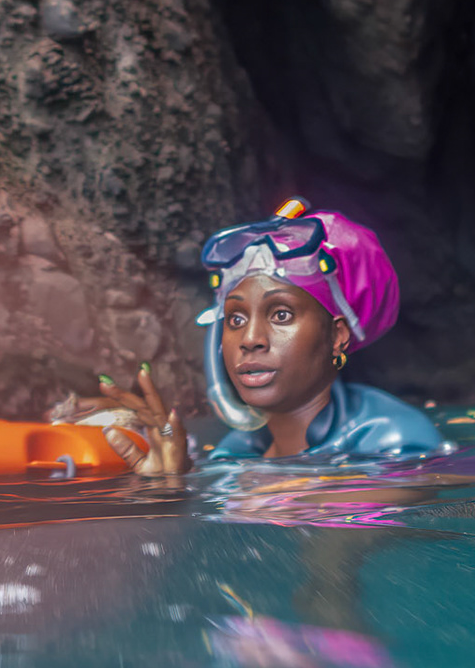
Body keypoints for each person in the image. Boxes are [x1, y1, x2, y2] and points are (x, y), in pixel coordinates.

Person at [90, 202, 443, 474]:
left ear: (337, 336)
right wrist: (171, 490)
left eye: (281, 315)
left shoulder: (396, 441)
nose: (250, 339)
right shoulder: (237, 452)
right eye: (236, 318)